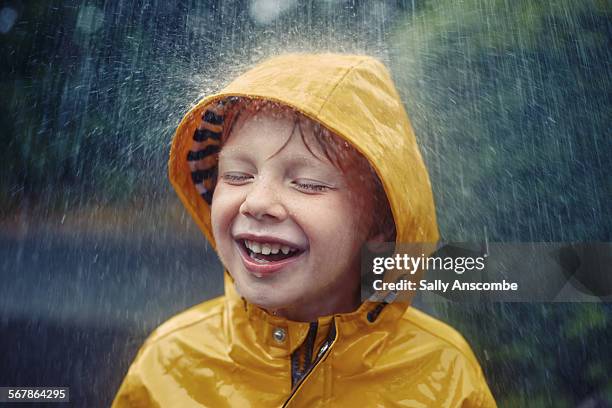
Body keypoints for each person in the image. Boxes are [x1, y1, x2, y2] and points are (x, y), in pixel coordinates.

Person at [112, 53, 496, 407]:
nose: (257, 202)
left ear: (382, 224)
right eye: (237, 175)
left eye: (309, 183)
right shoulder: (169, 362)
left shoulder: (445, 376)